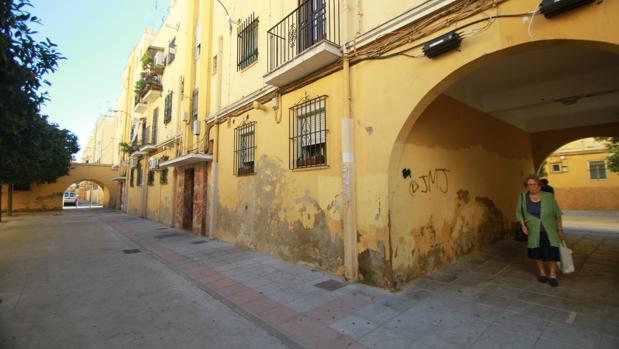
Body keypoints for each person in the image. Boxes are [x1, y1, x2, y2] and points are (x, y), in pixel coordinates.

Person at [516, 175, 565, 287]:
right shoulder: (523, 197)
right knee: (537, 252)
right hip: (533, 230)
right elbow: (519, 212)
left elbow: (557, 214)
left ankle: (553, 274)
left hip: (549, 229)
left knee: (552, 252)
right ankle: (542, 273)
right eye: (529, 185)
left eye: (534, 184)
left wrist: (560, 229)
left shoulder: (548, 196)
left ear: (539, 185)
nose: (531, 187)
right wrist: (523, 225)